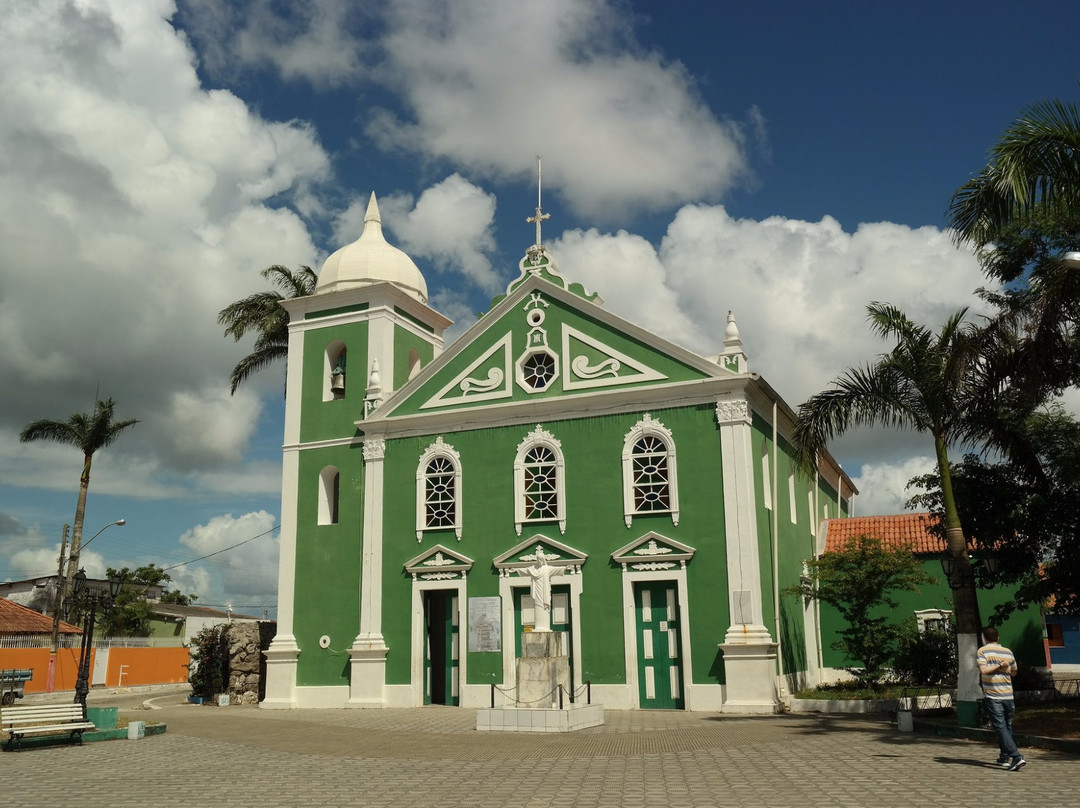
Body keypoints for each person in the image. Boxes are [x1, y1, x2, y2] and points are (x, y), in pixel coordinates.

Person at [977, 626, 1025, 771]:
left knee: (1000, 726)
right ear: (998, 637)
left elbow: (983, 670)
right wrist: (1004, 667)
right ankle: (1004, 757)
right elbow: (1014, 672)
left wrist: (998, 666)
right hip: (1008, 695)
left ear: (985, 638)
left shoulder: (982, 651)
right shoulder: (1008, 652)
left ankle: (1016, 756)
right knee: (1006, 726)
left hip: (994, 695)